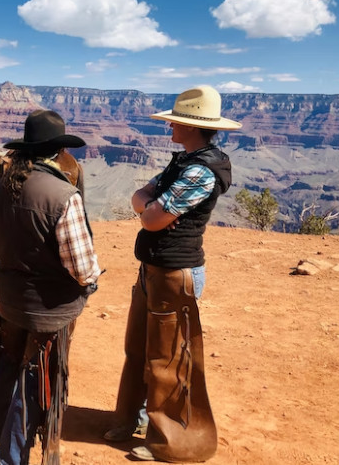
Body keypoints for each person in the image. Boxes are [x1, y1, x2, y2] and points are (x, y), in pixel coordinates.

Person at [103, 85, 239, 462]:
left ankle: (169, 438)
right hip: (153, 270)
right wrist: (148, 205)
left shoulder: (200, 171)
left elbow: (151, 216)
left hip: (176, 273)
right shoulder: (183, 162)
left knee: (167, 359)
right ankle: (132, 418)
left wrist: (148, 207)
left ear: (192, 127)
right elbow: (141, 197)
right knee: (138, 350)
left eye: (175, 122)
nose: (169, 128)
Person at [0, 109, 101, 465]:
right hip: (49, 311)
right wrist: (90, 285)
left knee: (7, 359)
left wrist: (14, 255)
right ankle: (11, 460)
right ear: (59, 152)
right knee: (33, 380)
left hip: (9, 301)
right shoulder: (63, 195)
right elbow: (83, 268)